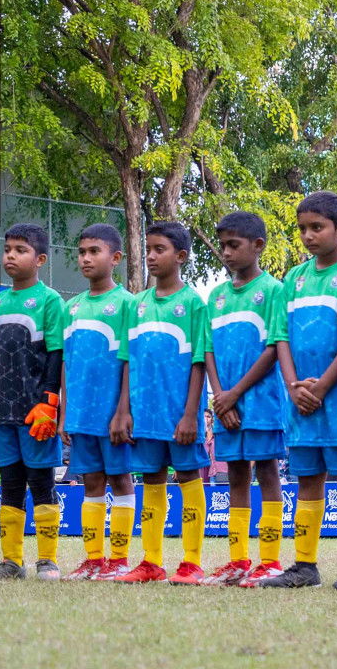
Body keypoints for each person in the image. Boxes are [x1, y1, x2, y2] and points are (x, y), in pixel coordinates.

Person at [261, 191, 337, 590]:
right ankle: (304, 565)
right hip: (300, 401)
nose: (308, 236)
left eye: (317, 227)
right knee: (308, 478)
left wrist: (324, 384)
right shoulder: (293, 279)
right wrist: (294, 386)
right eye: (303, 228)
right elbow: (280, 336)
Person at [112, 222, 210, 585]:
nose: (151, 256)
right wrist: (124, 411)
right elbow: (127, 359)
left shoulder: (194, 304)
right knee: (151, 480)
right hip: (144, 414)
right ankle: (151, 561)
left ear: (181, 256)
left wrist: (190, 414)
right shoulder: (136, 305)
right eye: (148, 249)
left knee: (187, 478)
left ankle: (192, 562)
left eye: (159, 250)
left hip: (179, 416)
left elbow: (199, 361)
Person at [0, 223, 68, 582]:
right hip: (1, 414)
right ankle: (11, 562)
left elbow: (57, 356)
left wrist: (50, 403)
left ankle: (48, 561)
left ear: (40, 259)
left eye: (20, 250)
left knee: (42, 484)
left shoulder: (50, 301)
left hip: (36, 414)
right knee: (9, 484)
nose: (10, 255)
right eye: (8, 248)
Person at [201, 212, 287, 587]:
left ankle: (269, 562)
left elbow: (273, 348)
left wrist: (235, 393)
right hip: (225, 404)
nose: (225, 252)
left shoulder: (273, 291)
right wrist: (221, 396)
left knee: (266, 470)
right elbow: (208, 350)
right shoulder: (216, 297)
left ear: (258, 246)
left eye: (233, 245)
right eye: (222, 245)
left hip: (262, 402)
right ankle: (238, 561)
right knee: (235, 474)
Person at [60, 223, 136, 581]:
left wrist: (124, 410)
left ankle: (119, 560)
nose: (86, 258)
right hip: (80, 414)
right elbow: (65, 362)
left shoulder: (128, 304)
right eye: (82, 251)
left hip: (113, 415)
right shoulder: (70, 307)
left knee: (120, 480)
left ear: (116, 258)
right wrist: (63, 411)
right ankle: (93, 559)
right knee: (91, 482)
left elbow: (130, 362)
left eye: (95, 251)